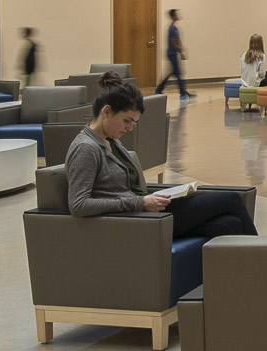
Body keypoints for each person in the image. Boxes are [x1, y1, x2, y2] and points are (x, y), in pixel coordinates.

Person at [64, 82, 256, 239]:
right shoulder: (86, 148)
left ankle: (249, 280)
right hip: (134, 219)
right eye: (127, 120)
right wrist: (139, 203)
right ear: (106, 112)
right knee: (232, 199)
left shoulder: (111, 141)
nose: (130, 128)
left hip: (145, 211)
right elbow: (79, 205)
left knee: (231, 224)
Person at [154, 9, 193, 100]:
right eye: (176, 14)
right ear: (173, 16)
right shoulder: (171, 28)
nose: (178, 16)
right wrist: (181, 51)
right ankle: (182, 93)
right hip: (171, 53)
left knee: (174, 73)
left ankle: (160, 89)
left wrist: (182, 50)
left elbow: (178, 40)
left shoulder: (175, 28)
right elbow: (173, 42)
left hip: (174, 53)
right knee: (178, 73)